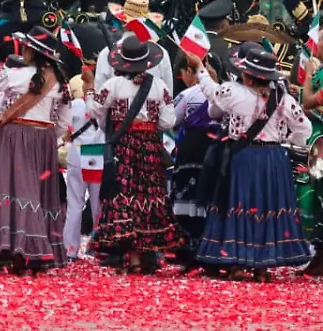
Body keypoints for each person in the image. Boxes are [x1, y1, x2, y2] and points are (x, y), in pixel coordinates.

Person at [189, 47, 311, 281]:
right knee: (267, 208)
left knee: (238, 204)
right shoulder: (283, 99)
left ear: (246, 74)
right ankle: (262, 267)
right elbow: (303, 129)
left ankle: (236, 263)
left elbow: (210, 91)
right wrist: (284, 139)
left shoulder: (232, 92)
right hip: (274, 159)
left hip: (242, 157)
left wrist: (199, 67)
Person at [0, 27, 71, 275]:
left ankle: (20, 250)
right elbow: (63, 121)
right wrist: (47, 138)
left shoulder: (15, 75)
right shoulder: (59, 80)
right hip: (44, 139)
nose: (21, 51)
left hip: (17, 137)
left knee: (16, 191)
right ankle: (39, 251)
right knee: (38, 194)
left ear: (32, 52)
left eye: (24, 47)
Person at [82, 36, 180, 274]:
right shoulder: (160, 87)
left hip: (124, 146)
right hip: (150, 147)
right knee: (148, 197)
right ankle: (146, 254)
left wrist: (88, 88)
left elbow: (94, 110)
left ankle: (134, 257)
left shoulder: (112, 85)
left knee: (125, 196)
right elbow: (168, 120)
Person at [169, 53, 217, 267]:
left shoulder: (188, 95)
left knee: (188, 198)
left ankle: (190, 250)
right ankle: (212, 248)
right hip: (217, 150)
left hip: (192, 150)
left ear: (191, 71)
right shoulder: (227, 91)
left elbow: (171, 119)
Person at [62, 70, 102, 261]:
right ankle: (98, 247)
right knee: (97, 205)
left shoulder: (75, 105)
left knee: (74, 205)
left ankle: (70, 249)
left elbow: (64, 127)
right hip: (95, 154)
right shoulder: (100, 103)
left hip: (76, 154)